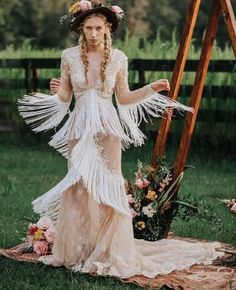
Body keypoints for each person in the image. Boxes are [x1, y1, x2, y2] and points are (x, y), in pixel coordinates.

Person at [18, 0, 223, 278]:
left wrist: (152, 88)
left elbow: (124, 98)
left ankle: (110, 249)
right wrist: (54, 92)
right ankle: (76, 249)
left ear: (107, 29)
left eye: (98, 28)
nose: (92, 33)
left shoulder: (118, 59)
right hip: (79, 129)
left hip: (107, 131)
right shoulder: (69, 56)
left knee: (108, 189)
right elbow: (65, 98)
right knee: (78, 187)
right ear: (80, 28)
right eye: (88, 28)